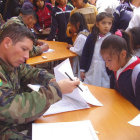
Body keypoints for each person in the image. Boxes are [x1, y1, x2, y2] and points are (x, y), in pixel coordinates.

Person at [0, 23, 80, 139]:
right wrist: (56, 90)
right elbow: (10, 107)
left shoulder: (11, 63)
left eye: (29, 50)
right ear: (7, 43)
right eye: (24, 49)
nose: (27, 56)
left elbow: (31, 72)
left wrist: (53, 79)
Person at [100, 34, 140, 110]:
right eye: (105, 60)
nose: (107, 65)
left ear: (123, 54)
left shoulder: (137, 72)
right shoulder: (118, 67)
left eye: (109, 60)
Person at [80, 12, 113, 88]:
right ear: (97, 24)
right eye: (103, 23)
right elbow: (85, 53)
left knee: (104, 85)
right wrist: (83, 69)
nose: (106, 26)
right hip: (92, 66)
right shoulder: (92, 37)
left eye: (109, 23)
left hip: (105, 69)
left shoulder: (111, 38)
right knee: (90, 86)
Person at [67, 12, 89, 77]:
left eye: (71, 25)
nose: (70, 28)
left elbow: (78, 51)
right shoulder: (85, 33)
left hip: (80, 63)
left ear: (78, 24)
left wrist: (70, 47)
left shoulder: (81, 36)